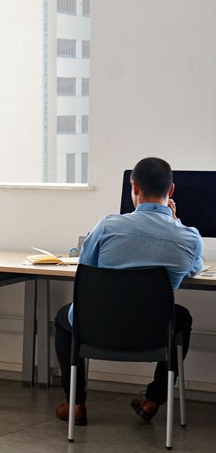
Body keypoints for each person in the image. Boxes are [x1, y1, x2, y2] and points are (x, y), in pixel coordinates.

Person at [54, 157, 204, 427]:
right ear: (170, 191)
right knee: (181, 318)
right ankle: (153, 400)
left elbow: (85, 267)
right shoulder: (189, 237)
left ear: (133, 187)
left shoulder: (108, 226)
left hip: (97, 329)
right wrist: (176, 223)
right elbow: (193, 271)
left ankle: (75, 403)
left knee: (64, 319)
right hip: (153, 333)